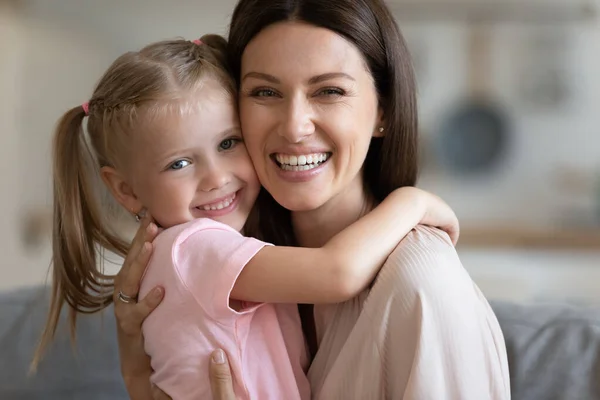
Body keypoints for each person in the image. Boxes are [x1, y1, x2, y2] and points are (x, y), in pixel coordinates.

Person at [116, 0, 511, 398]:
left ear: (383, 111)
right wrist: (136, 364)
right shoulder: (232, 255)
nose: (294, 127)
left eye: (329, 91)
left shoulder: (422, 284)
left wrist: (413, 201)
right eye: (266, 91)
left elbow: (337, 272)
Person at [32, 34, 460, 400]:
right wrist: (412, 203)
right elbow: (338, 272)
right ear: (125, 190)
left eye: (228, 143)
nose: (217, 177)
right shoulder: (194, 247)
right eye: (179, 163)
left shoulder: (184, 252)